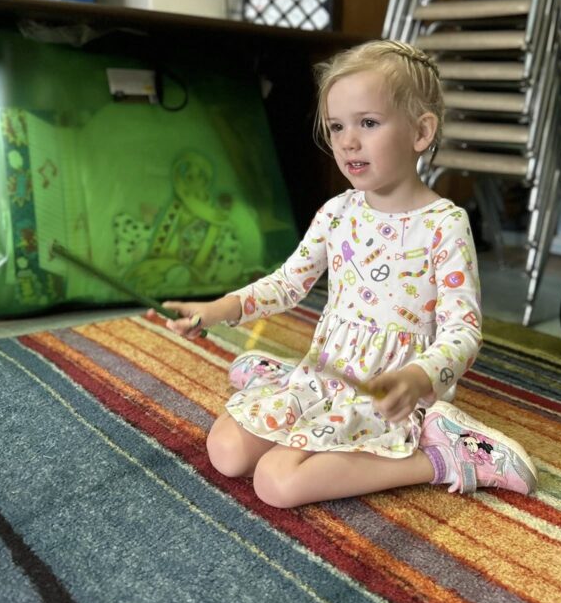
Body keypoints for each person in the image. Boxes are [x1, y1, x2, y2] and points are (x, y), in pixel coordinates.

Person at [151, 40, 537, 508]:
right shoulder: (337, 212)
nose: (347, 141)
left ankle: (445, 456)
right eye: (337, 126)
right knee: (226, 451)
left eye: (368, 123)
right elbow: (287, 283)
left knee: (277, 482)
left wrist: (418, 378)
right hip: (324, 373)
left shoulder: (444, 224)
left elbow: (464, 332)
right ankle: (283, 379)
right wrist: (218, 309)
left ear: (421, 132)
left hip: (388, 391)